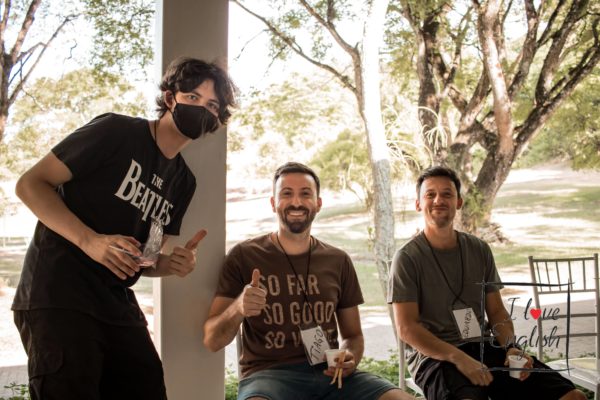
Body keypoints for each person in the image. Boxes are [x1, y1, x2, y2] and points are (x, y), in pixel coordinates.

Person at [11, 56, 237, 400]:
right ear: (170, 98)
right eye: (193, 97)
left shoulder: (183, 182)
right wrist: (91, 241)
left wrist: (170, 264)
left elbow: (145, 258)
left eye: (212, 105)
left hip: (115, 301)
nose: (201, 109)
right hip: (60, 291)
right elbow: (30, 184)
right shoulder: (116, 132)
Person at [203, 162, 413, 400]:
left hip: (332, 376)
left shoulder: (338, 260)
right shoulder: (244, 256)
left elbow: (353, 336)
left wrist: (348, 357)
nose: (296, 202)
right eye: (286, 194)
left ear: (318, 203)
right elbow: (212, 340)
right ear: (273, 203)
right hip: (269, 378)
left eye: (305, 194)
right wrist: (239, 307)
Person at [388, 165, 585, 400]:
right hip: (436, 358)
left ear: (459, 202)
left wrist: (511, 347)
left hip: (484, 348)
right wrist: (459, 358)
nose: (438, 200)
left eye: (447, 194)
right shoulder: (407, 258)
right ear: (418, 204)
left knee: (572, 396)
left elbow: (497, 311)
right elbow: (407, 328)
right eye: (430, 194)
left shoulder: (479, 249)